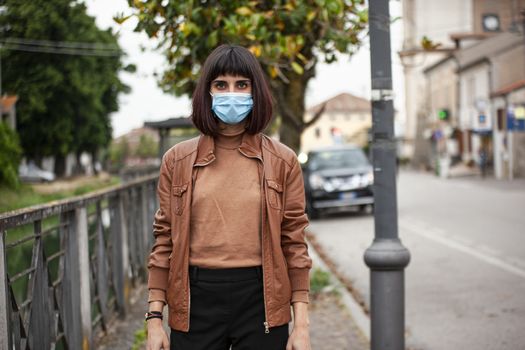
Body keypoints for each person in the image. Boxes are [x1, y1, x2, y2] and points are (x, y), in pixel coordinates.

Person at [146, 44, 312, 350]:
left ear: (255, 91)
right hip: (195, 300)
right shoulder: (177, 161)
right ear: (207, 93)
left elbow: (294, 243)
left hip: (261, 298)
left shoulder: (283, 161)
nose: (231, 93)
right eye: (221, 84)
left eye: (241, 85)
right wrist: (154, 318)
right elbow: (164, 239)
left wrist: (301, 326)